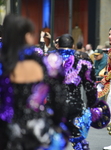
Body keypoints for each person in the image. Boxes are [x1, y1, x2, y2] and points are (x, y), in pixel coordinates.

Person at [0, 14, 68, 150]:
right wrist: (57, 124)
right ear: (26, 36)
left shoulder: (4, 62)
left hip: (7, 130)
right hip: (38, 130)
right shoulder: (46, 62)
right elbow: (59, 99)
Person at [56, 34, 110, 150]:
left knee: (52, 140)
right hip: (75, 105)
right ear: (73, 46)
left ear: (58, 46)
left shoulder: (49, 58)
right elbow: (90, 86)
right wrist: (93, 104)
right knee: (78, 139)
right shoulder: (83, 59)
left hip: (54, 106)